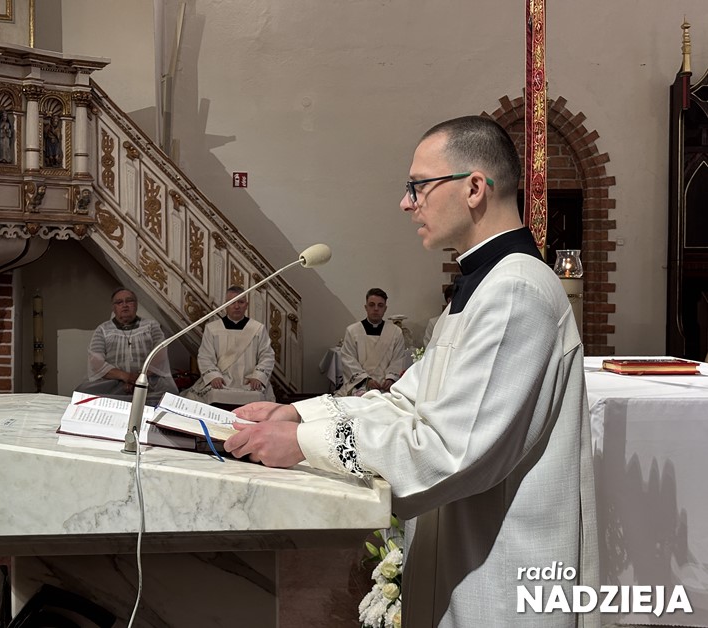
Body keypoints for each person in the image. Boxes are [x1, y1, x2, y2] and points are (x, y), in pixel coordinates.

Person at [225, 116, 598, 627]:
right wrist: (299, 416)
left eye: (418, 186)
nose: (406, 203)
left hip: (503, 577)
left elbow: (449, 451)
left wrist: (305, 444)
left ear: (473, 188)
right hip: (466, 560)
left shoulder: (516, 293)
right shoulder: (486, 287)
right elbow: (405, 402)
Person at [76, 288, 178, 404]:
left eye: (129, 301)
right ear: (113, 308)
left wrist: (139, 377)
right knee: (82, 392)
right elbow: (96, 362)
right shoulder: (103, 329)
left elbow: (160, 354)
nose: (124, 305)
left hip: (147, 381)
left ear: (136, 305)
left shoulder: (151, 326)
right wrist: (126, 376)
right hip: (114, 382)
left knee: (169, 396)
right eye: (119, 302)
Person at [183, 286, 275, 405]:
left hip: (248, 381)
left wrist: (258, 377)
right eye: (232, 302)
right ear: (226, 305)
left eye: (241, 302)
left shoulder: (257, 329)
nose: (237, 306)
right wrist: (213, 376)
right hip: (221, 380)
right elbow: (205, 356)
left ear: (246, 305)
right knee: (214, 394)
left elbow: (267, 355)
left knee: (256, 395)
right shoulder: (212, 329)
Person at [335, 288, 406, 396]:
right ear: (366, 307)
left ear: (385, 308)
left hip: (385, 387)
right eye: (372, 305)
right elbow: (349, 360)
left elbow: (398, 360)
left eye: (380, 305)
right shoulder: (353, 331)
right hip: (360, 385)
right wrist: (366, 380)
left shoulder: (395, 332)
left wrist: (391, 378)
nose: (376, 309)